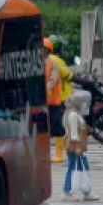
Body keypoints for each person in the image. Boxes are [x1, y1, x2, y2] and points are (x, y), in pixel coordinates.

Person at [62, 91, 99, 201]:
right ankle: (70, 191)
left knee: (78, 166)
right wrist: (78, 148)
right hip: (75, 146)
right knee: (75, 167)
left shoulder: (73, 113)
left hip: (77, 145)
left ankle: (84, 191)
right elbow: (74, 133)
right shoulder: (73, 115)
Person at [44, 36, 72, 164]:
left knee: (57, 128)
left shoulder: (53, 63)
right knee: (43, 129)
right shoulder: (36, 63)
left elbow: (54, 80)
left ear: (47, 50)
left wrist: (44, 88)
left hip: (53, 101)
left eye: (43, 49)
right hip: (41, 102)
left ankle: (59, 154)